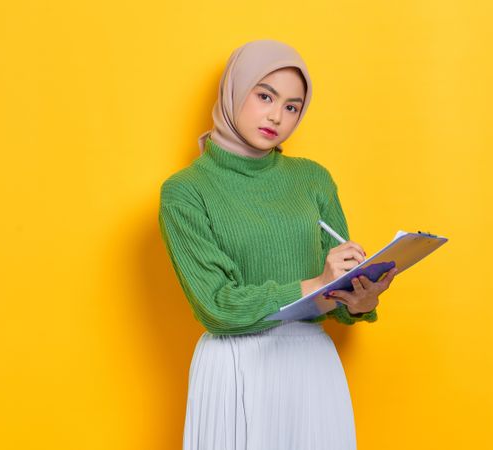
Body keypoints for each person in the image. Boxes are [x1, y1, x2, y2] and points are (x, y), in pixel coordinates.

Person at [159, 39, 398, 450]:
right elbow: (216, 306)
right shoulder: (185, 192)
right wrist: (316, 283)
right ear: (234, 90)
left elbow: (338, 293)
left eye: (292, 106)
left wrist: (360, 300)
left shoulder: (312, 179)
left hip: (312, 368)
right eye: (265, 96)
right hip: (236, 367)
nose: (276, 116)